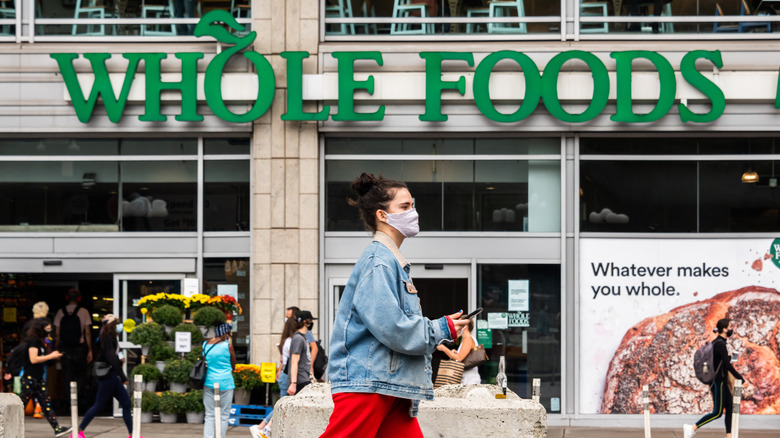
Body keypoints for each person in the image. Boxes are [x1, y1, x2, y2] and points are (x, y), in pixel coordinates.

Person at [319, 173, 468, 438]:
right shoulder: (379, 262)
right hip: (369, 385)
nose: (414, 212)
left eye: (413, 205)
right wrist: (441, 328)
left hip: (387, 384)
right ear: (382, 215)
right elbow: (393, 327)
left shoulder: (390, 261)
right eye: (405, 207)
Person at [684, 318, 745, 438]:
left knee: (729, 407)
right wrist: (739, 378)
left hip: (720, 380)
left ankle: (729, 436)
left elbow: (719, 360)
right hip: (719, 381)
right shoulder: (720, 344)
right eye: (730, 327)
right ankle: (692, 428)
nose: (732, 329)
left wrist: (728, 357)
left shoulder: (718, 342)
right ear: (724, 329)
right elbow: (726, 365)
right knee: (717, 413)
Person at [78, 314, 134, 438]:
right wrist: (123, 377)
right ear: (111, 324)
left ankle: (132, 435)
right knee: (99, 405)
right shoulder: (107, 337)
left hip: (112, 375)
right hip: (108, 376)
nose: (120, 325)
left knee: (126, 403)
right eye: (117, 322)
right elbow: (112, 359)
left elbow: (116, 355)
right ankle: (79, 432)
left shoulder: (112, 337)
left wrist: (120, 359)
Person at [19, 318, 71, 438]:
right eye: (47, 328)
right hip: (29, 378)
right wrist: (50, 356)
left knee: (46, 404)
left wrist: (52, 357)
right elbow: (33, 359)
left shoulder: (41, 342)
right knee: (21, 404)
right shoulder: (33, 341)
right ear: (40, 329)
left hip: (38, 378)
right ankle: (5, 425)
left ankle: (57, 428)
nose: (49, 330)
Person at [53, 288, 92, 407]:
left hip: (65, 349)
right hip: (79, 349)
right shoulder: (84, 312)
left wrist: (56, 349)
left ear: (67, 298)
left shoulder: (60, 312)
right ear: (79, 298)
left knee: (67, 376)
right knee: (80, 375)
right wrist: (89, 350)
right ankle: (78, 401)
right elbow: (87, 333)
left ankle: (69, 403)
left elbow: (57, 334)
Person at [203, 322, 236, 438]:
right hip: (226, 382)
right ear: (225, 333)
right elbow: (234, 365)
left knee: (209, 414)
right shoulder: (228, 346)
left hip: (209, 382)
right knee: (224, 415)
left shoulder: (205, 345)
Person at [22, 301, 51, 419]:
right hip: (39, 358)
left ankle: (25, 407)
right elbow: (49, 340)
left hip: (27, 359)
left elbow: (23, 342)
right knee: (40, 381)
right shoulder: (45, 325)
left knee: (28, 386)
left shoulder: (27, 325)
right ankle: (38, 408)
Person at [435, 317, 481, 384]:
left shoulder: (468, 338)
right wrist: (453, 353)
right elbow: (462, 357)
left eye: (459, 324)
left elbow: (459, 358)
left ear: (465, 326)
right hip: (467, 377)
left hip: (469, 379)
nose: (456, 326)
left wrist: (444, 348)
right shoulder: (467, 339)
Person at [287, 310, 314, 396]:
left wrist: (310, 377)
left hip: (304, 379)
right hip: (300, 382)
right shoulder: (298, 338)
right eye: (310, 320)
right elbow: (294, 361)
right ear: (305, 322)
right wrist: (293, 383)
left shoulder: (302, 337)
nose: (312, 323)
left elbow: (305, 359)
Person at [276, 317, 298, 397]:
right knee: (285, 403)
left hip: (284, 372)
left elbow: (283, 359)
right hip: (287, 372)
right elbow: (293, 358)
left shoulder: (287, 340)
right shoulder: (291, 341)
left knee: (284, 401)